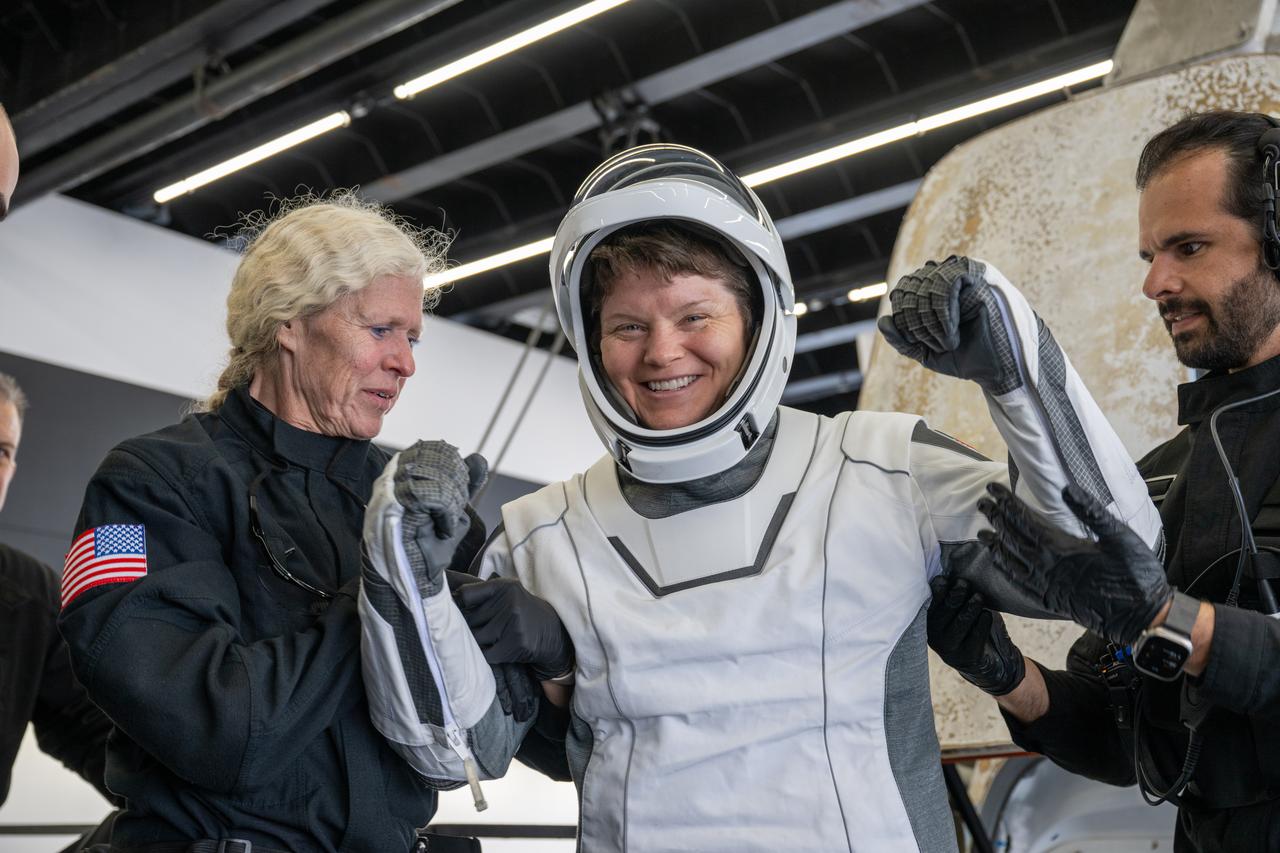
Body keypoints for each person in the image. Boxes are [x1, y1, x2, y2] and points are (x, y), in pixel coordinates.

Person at [357, 144, 1161, 852]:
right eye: (627, 325)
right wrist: (410, 580)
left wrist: (1014, 365)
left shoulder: (882, 469)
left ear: (756, 319)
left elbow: (1120, 565)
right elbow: (456, 750)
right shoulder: (540, 534)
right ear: (593, 342)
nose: (662, 351)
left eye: (695, 314)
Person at [56, 193, 504, 852]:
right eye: (380, 329)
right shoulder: (148, 486)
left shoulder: (409, 503)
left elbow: (488, 736)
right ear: (289, 320)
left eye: (411, 337)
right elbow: (219, 727)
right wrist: (384, 590)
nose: (405, 361)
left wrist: (540, 642)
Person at [928, 110, 1280, 852]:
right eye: (1151, 254)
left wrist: (1162, 617)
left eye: (1188, 247)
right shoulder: (1162, 475)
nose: (1156, 281)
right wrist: (1007, 673)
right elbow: (1128, 741)